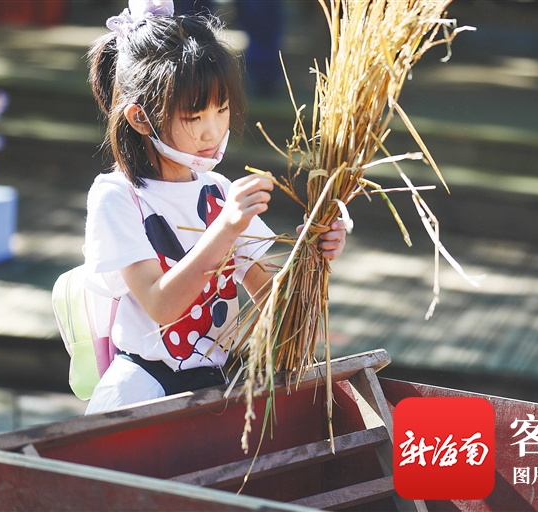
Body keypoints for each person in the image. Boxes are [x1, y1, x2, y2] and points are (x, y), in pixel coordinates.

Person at [83, 0, 345, 414]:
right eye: (194, 116)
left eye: (221, 110)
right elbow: (161, 306)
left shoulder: (219, 192)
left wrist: (315, 254)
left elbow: (278, 309)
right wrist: (225, 228)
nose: (213, 131)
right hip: (142, 389)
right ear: (140, 118)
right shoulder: (118, 196)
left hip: (215, 391)